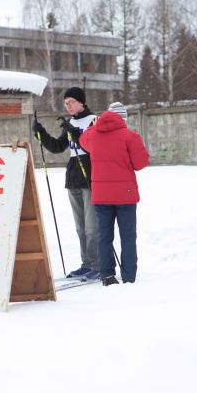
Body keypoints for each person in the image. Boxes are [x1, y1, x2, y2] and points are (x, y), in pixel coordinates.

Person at [72, 101, 149, 286]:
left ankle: (107, 275)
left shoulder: (92, 135)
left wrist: (93, 127)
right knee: (128, 236)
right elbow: (141, 164)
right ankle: (129, 276)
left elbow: (82, 142)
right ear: (124, 119)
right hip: (126, 194)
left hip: (101, 195)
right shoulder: (131, 136)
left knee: (104, 236)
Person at [32, 87, 99, 279]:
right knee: (80, 227)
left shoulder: (93, 120)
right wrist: (41, 133)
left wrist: (75, 132)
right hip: (74, 177)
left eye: (71, 102)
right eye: (65, 103)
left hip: (90, 176)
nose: (68, 106)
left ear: (81, 102)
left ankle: (97, 264)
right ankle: (86, 263)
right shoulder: (71, 122)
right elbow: (57, 147)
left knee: (92, 227)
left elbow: (93, 146)